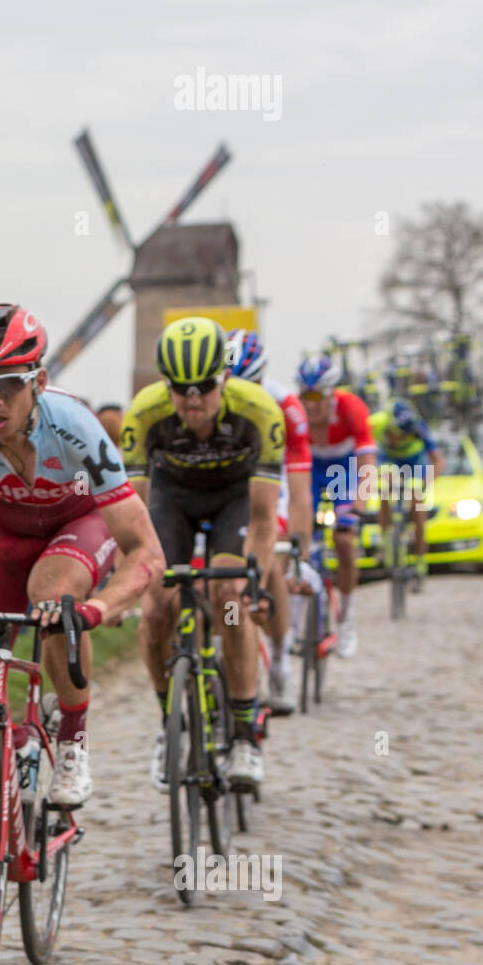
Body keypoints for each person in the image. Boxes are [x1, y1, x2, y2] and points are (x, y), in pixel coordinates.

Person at [0, 302, 162, 817]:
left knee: (52, 596)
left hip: (76, 527)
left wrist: (98, 608)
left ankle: (72, 742)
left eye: (9, 385)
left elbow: (146, 551)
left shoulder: (77, 427)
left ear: (38, 380)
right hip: (0, 536)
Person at [123, 316, 284, 795]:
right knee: (155, 609)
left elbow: (261, 520)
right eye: (181, 388)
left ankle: (242, 731)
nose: (193, 399)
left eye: (205, 387)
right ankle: (168, 719)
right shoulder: (144, 413)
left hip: (235, 497)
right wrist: (131, 580)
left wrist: (253, 581)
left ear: (226, 378)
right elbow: (131, 516)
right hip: (172, 498)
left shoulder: (259, 411)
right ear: (165, 384)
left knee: (230, 598)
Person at [225, 330, 313, 715]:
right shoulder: (209, 399)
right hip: (227, 489)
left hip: (270, 490)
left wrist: (299, 552)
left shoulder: (285, 408)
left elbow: (298, 491)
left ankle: (279, 656)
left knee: (271, 551)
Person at [295, 354, 376, 659]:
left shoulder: (351, 407)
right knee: (298, 541)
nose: (310, 404)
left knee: (344, 540)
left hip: (344, 470)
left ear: (331, 394)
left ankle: (346, 621)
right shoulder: (294, 411)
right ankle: (294, 623)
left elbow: (367, 459)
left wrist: (359, 503)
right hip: (310, 469)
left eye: (317, 396)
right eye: (306, 395)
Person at [371, 398, 444, 583]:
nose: (400, 439)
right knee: (384, 488)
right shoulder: (376, 422)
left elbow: (438, 461)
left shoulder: (418, 428)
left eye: (405, 435)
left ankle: (420, 558)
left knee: (417, 501)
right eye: (398, 434)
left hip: (414, 461)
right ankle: (386, 540)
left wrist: (426, 481)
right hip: (388, 458)